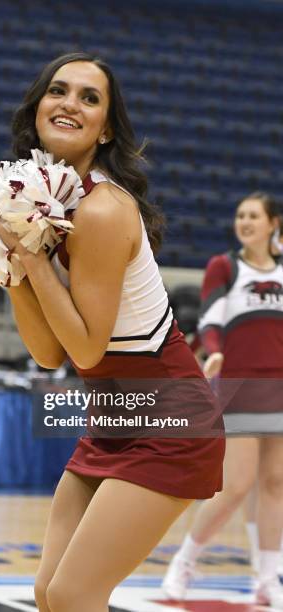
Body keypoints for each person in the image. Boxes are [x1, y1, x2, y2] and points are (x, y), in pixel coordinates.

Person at [0, 52, 225, 612]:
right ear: (38, 107)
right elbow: (49, 353)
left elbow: (88, 346)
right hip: (112, 413)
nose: (70, 103)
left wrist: (30, 256)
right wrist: (8, 261)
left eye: (89, 98)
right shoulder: (48, 201)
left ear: (106, 129)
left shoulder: (99, 208)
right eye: (58, 90)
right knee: (50, 592)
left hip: (170, 419)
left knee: (75, 594)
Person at [163, 193, 283, 607]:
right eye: (239, 215)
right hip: (241, 386)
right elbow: (210, 319)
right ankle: (185, 560)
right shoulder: (224, 266)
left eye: (253, 215)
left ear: (273, 223)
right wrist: (213, 350)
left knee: (275, 484)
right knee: (235, 486)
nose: (244, 221)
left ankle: (267, 577)